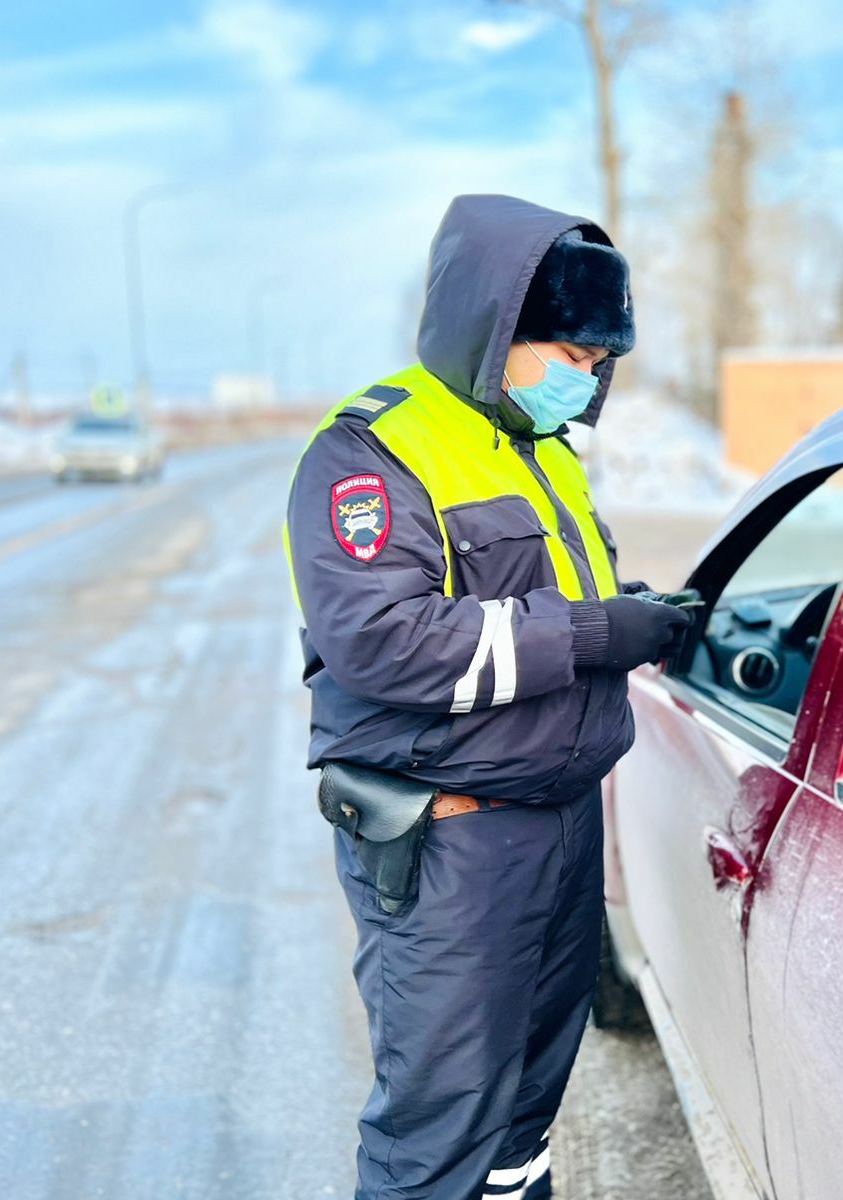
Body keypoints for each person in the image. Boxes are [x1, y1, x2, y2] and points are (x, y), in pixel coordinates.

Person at [285, 195, 693, 1200]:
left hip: (556, 827)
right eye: (564, 352)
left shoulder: (540, 447)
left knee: (523, 1116)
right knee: (438, 1131)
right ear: (492, 322)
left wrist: (625, 608)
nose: (582, 379)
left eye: (598, 363)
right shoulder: (376, 451)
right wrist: (599, 633)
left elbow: (534, 605)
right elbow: (384, 644)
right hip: (453, 843)